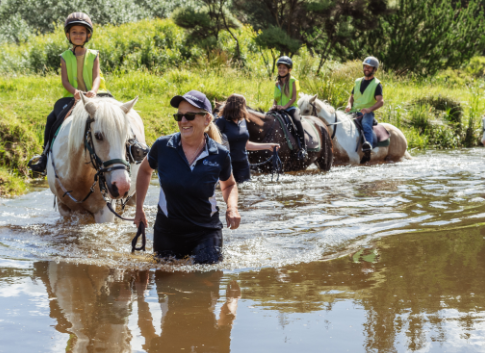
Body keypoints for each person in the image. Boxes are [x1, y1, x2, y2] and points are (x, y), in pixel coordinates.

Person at [134, 90, 241, 264]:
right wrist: (139, 208)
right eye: (179, 116)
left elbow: (229, 185)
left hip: (206, 233)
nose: (183, 121)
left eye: (190, 116)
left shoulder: (220, 154)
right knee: (167, 284)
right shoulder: (162, 146)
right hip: (167, 233)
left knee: (206, 280)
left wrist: (232, 208)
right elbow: (145, 170)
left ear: (207, 119)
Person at [28, 12, 109, 174]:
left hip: (97, 94)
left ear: (88, 35)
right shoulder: (64, 56)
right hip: (72, 96)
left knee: (119, 112)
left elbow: (97, 77)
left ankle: (132, 146)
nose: (78, 35)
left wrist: (93, 91)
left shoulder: (94, 55)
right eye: (74, 32)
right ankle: (45, 155)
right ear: (68, 35)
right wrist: (75, 92)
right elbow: (64, 80)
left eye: (81, 32)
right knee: (52, 118)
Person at [215, 94, 280, 183]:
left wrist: (269, 146)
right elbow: (212, 144)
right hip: (227, 166)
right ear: (237, 107)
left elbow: (246, 145)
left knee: (245, 191)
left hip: (243, 165)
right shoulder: (221, 122)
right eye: (244, 106)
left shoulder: (242, 121)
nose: (246, 109)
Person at [345, 56, 384, 157]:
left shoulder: (377, 84)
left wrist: (369, 109)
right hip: (353, 111)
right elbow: (352, 97)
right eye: (365, 67)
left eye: (369, 67)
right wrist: (349, 104)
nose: (366, 69)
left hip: (367, 113)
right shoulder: (357, 81)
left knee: (366, 125)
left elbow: (381, 101)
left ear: (374, 70)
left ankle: (368, 147)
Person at [271, 56, 307, 160]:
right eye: (280, 67)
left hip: (291, 108)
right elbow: (275, 98)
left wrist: (285, 107)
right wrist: (274, 106)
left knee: (297, 121)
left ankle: (303, 148)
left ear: (289, 70)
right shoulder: (277, 83)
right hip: (279, 108)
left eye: (284, 68)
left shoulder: (293, 81)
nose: (281, 70)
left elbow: (294, 97)